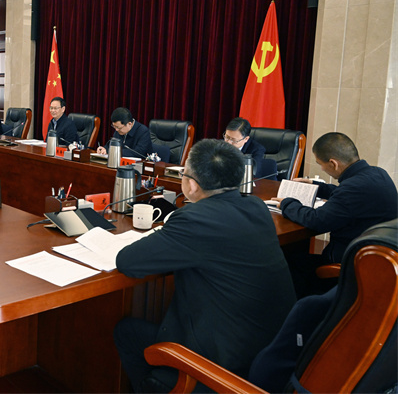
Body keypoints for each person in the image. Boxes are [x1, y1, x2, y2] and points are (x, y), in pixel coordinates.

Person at [113, 139, 296, 393]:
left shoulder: (194, 219)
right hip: (270, 355)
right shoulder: (256, 207)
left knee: (127, 332)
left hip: (222, 366)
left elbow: (127, 261)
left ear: (191, 184)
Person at [270, 132, 397, 296]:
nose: (322, 169)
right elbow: (346, 195)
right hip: (376, 260)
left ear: (333, 163)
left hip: (348, 266)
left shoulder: (352, 188)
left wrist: (288, 204)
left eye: (320, 164)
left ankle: (298, 307)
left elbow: (317, 220)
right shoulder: (377, 173)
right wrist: (317, 186)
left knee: (287, 261)